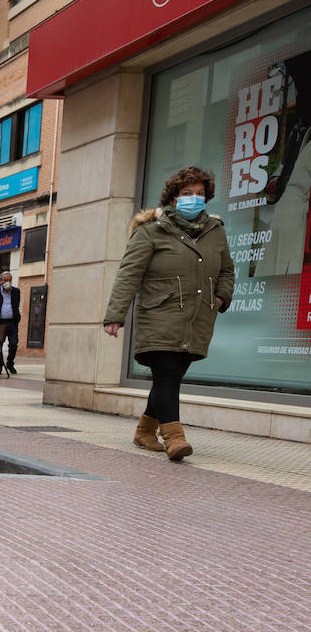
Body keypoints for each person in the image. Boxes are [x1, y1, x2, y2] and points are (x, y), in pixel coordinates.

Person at [103, 166, 234, 461]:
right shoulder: (151, 231)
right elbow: (128, 275)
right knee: (167, 377)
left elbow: (227, 269)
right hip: (159, 315)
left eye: (200, 194)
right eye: (187, 193)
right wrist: (115, 315)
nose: (194, 199)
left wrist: (221, 297)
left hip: (198, 317)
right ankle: (175, 438)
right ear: (173, 198)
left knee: (171, 376)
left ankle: (144, 431)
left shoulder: (215, 232)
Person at [0, 271, 22, 375]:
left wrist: (16, 319)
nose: (8, 282)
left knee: (14, 344)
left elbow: (15, 306)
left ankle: (10, 363)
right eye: (6, 280)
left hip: (11, 323)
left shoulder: (16, 292)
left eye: (10, 280)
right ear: (0, 281)